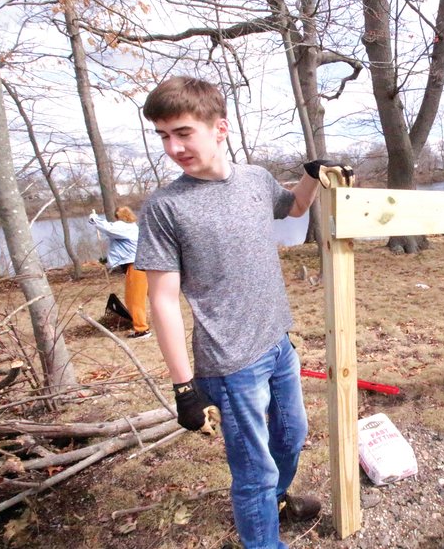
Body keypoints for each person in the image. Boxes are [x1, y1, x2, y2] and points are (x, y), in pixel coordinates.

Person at [136, 76, 348, 549]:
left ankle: (274, 502)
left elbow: (293, 208)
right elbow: (163, 300)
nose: (173, 148)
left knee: (292, 438)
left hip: (277, 342)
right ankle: (264, 540)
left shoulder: (254, 179)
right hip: (230, 363)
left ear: (220, 128)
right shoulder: (165, 208)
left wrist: (312, 175)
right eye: (164, 137)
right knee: (252, 471)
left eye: (183, 133)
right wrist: (183, 386)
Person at [89, 206, 151, 339]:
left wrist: (95, 220)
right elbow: (122, 249)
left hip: (137, 267)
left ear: (119, 216)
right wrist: (108, 259)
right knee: (154, 296)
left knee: (134, 300)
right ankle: (160, 321)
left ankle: (142, 330)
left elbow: (108, 228)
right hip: (139, 265)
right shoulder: (130, 228)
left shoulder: (125, 227)